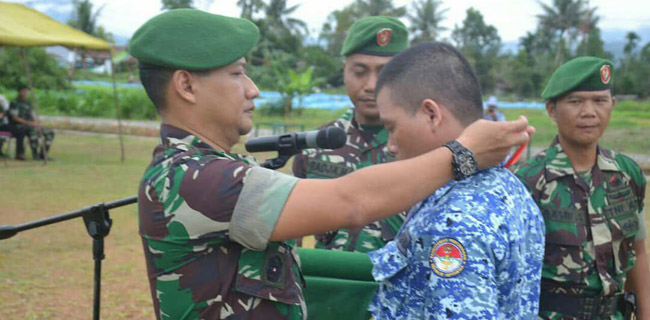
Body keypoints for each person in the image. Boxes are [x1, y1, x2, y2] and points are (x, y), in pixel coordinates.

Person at [129, 9, 532, 320]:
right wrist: (464, 152)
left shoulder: (207, 169)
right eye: (237, 74)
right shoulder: (194, 178)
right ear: (185, 85)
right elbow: (349, 202)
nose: (253, 89)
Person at [367, 42, 545, 319]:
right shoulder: (510, 189)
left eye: (392, 127)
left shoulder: (453, 222)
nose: (390, 145)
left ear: (431, 114)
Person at [514, 56, 650, 319]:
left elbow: (639, 253)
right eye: (575, 102)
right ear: (552, 110)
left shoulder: (626, 174)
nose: (589, 112)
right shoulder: (526, 181)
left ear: (612, 105)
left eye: (600, 101)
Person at [292, 16, 408, 252]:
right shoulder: (316, 144)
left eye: (386, 73)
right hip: (327, 284)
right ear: (345, 71)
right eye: (360, 71)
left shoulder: (424, 149)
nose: (371, 85)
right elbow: (291, 238)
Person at [7, 84, 55, 160]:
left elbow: (33, 115)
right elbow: (15, 118)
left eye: (25, 90)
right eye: (22, 91)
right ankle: (35, 154)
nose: (24, 92)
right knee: (33, 132)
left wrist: (36, 123)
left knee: (49, 132)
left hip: (30, 125)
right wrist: (29, 123)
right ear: (19, 92)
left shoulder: (28, 103)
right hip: (19, 126)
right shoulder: (14, 103)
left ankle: (43, 154)